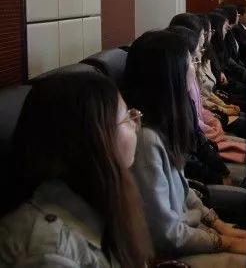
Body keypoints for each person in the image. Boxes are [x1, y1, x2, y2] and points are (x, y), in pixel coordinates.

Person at [124, 31, 246, 266]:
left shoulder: (163, 124)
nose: (195, 66)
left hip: (188, 228)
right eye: (190, 62)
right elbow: (167, 235)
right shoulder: (146, 140)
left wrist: (219, 225)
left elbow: (183, 187)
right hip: (169, 254)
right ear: (170, 76)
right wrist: (223, 241)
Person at [0, 71, 151, 267]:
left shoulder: (96, 196)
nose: (136, 122)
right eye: (127, 117)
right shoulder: (51, 253)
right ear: (95, 140)